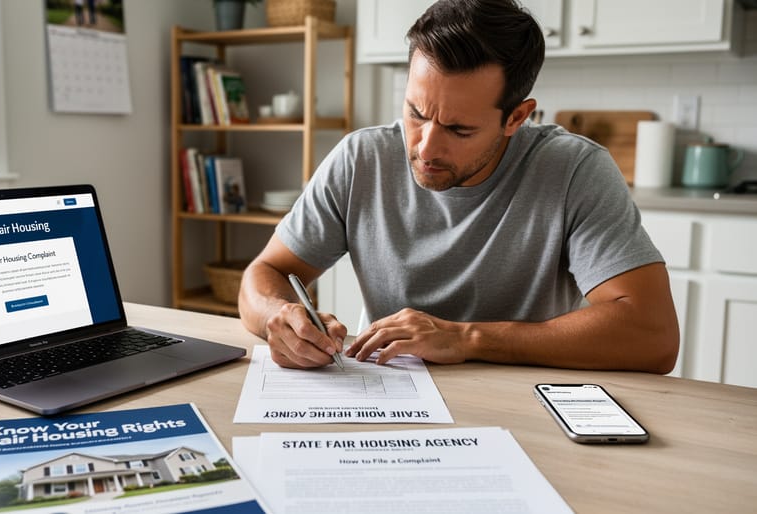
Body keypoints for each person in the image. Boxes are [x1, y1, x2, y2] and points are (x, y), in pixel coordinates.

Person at [238, 0, 679, 374]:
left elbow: (653, 335)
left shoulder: (574, 170)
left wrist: (467, 338)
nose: (425, 146)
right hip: (390, 398)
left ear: (517, 117)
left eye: (458, 129)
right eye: (416, 112)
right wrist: (281, 317)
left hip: (524, 399)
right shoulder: (361, 159)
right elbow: (262, 276)